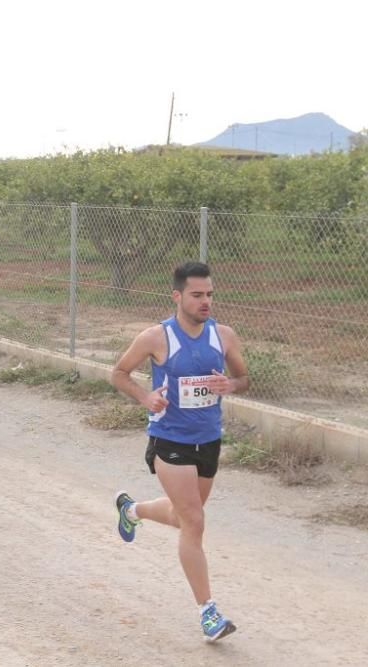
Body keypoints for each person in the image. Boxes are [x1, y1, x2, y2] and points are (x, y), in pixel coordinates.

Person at [110, 261, 249, 643]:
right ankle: (208, 613)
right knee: (195, 522)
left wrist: (230, 385)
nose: (205, 302)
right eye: (197, 295)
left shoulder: (224, 336)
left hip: (209, 439)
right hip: (170, 441)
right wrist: (145, 396)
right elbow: (119, 373)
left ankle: (131, 510)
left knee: (183, 516)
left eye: (209, 295)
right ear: (177, 296)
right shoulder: (157, 337)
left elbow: (244, 377)